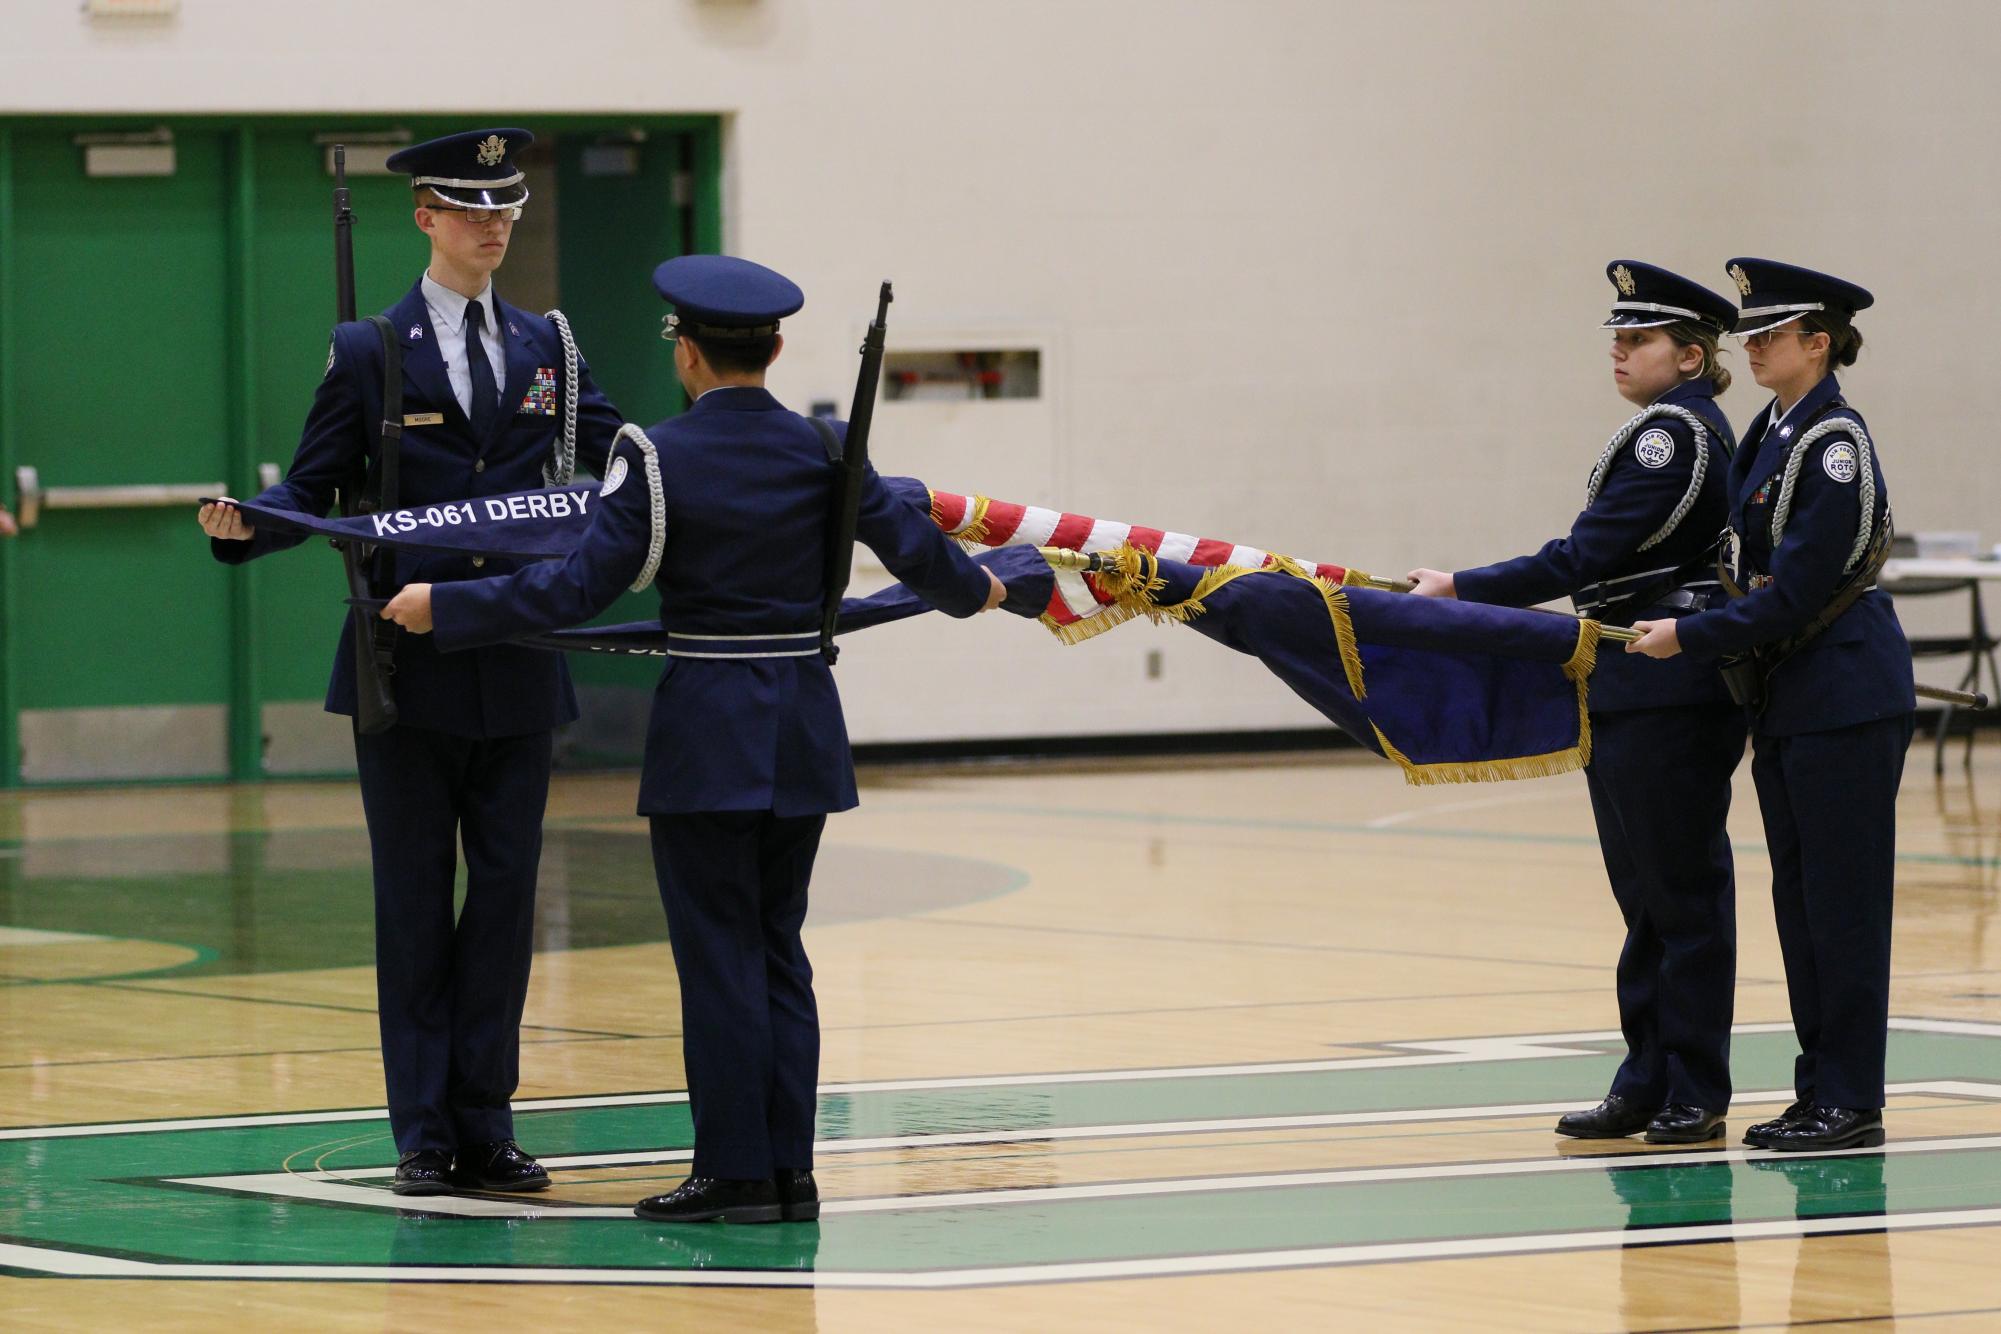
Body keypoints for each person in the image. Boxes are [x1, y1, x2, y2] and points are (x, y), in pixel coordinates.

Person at [382, 254, 1007, 1222]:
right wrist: (990, 587)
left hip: (709, 728)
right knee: (777, 953)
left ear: (688, 352)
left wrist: (447, 605)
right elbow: (928, 562)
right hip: (802, 723)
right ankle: (789, 1167)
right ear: (777, 347)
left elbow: (574, 587)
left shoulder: (656, 454)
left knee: (719, 956)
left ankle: (734, 1170)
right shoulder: (828, 445)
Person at [197, 128, 626, 1195]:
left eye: (507, 208)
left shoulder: (552, 351)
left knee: (508, 898)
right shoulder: (370, 350)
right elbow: (313, 486)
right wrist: (248, 526)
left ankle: (490, 1120)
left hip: (519, 656)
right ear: (425, 216)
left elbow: (623, 464)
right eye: (471, 207)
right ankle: (424, 1131)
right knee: (413, 898)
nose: (492, 225)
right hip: (404, 663)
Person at [1408, 261, 1745, 1144]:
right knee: (1646, 896)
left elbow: (1583, 556)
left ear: (1690, 354)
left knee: (1678, 892)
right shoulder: (1673, 429)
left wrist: (1462, 589)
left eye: (1639, 340)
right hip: (1632, 683)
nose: (1619, 352)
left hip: (1664, 684)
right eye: (1616, 338)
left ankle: (1693, 1087)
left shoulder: (1671, 436)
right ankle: (1648, 1075)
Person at [1629, 258, 1913, 1152]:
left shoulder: (1833, 441)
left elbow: (1793, 593)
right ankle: (1816, 1089)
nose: (1749, 347)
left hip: (1843, 694)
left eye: (1769, 334)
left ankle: (1851, 1099)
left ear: (1817, 344)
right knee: (1801, 903)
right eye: (1747, 334)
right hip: (1793, 697)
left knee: (1843, 904)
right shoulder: (1771, 431)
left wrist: (1689, 636)